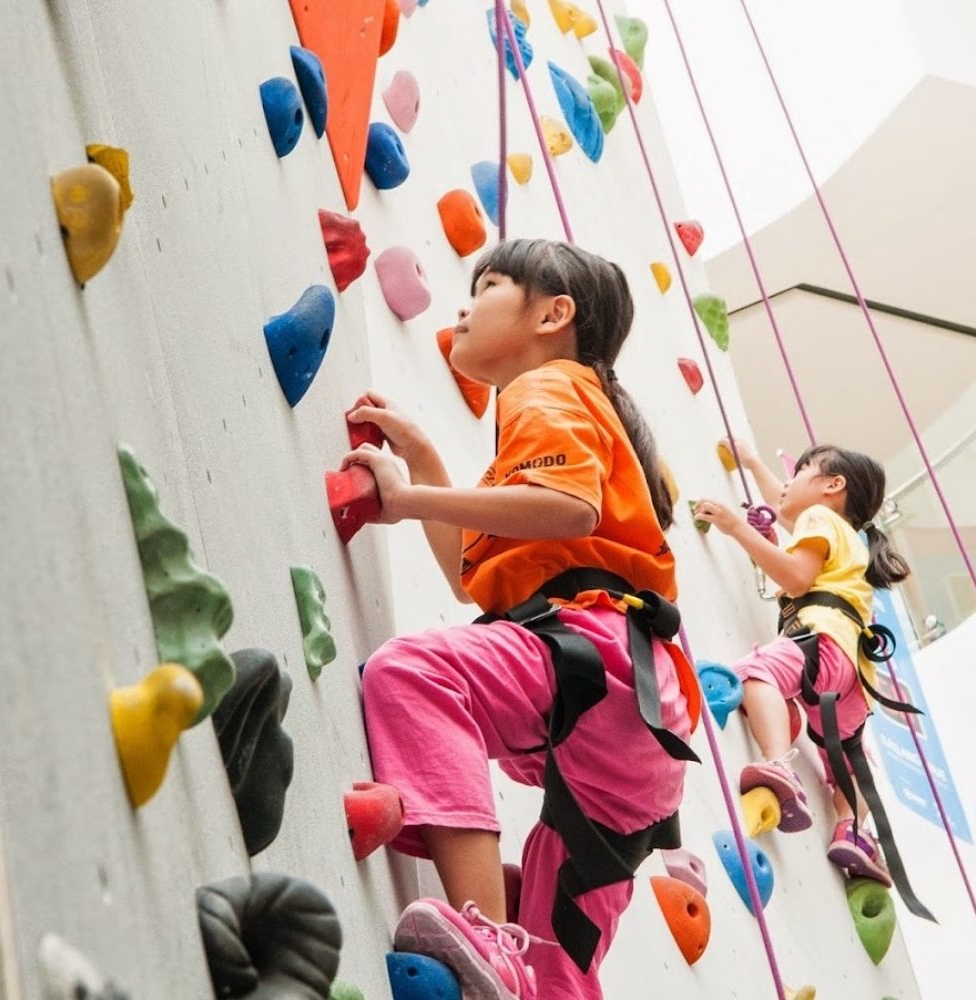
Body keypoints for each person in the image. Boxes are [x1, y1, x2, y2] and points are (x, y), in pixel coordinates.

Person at [344, 239, 700, 1000]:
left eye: (489, 286)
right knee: (554, 970)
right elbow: (471, 579)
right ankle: (511, 958)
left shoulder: (547, 387)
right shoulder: (567, 413)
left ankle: (484, 931)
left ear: (552, 315)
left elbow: (569, 508)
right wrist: (426, 462)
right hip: (643, 725)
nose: (464, 306)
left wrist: (404, 499)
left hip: (598, 664)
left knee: (412, 673)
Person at [693, 441, 910, 888]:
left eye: (801, 472)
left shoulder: (819, 519)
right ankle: (852, 829)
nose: (788, 484)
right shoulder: (844, 537)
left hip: (820, 642)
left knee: (757, 673)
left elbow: (794, 576)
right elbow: (783, 504)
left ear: (833, 485)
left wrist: (736, 527)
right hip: (854, 670)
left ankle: (778, 763)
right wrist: (752, 462)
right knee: (847, 757)